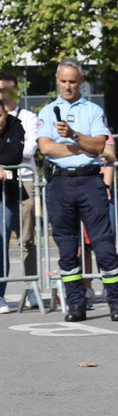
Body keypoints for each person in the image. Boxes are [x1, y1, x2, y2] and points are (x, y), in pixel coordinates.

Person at [36, 59, 118, 321]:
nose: (67, 86)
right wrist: (80, 148)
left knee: (103, 245)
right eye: (63, 81)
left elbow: (100, 145)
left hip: (90, 181)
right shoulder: (47, 111)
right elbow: (46, 148)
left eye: (72, 82)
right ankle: (76, 304)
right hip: (60, 182)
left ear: (82, 82)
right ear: (57, 80)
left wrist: (75, 136)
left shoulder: (93, 110)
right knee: (67, 248)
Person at [0, 73, 39, 310]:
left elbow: (29, 148)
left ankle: (31, 288)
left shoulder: (27, 117)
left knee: (27, 239)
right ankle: (1, 290)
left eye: (9, 89)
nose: (5, 94)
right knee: (1, 239)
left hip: (24, 181)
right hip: (2, 185)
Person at [0, 102, 24, 312]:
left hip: (6, 195)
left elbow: (14, 155)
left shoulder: (16, 125)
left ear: (5, 113)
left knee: (1, 242)